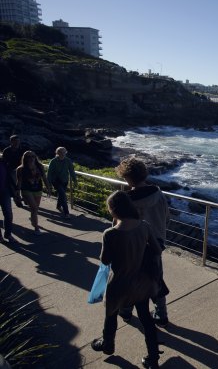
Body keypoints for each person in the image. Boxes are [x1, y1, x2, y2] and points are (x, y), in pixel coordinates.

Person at [91, 191, 162, 369]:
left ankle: (108, 344)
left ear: (114, 210)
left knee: (111, 314)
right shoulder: (144, 226)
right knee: (146, 318)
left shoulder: (110, 234)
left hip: (119, 284)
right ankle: (152, 358)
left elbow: (105, 260)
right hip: (141, 282)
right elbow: (157, 250)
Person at [115, 157, 170, 327]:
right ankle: (161, 314)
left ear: (127, 178)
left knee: (130, 280)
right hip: (156, 244)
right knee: (156, 278)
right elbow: (166, 217)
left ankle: (125, 311)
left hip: (133, 247)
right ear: (144, 174)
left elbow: (118, 226)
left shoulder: (125, 200)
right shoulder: (158, 193)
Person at [16, 151, 51, 235]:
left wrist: (48, 188)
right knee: (34, 208)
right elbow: (19, 181)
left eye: (33, 156)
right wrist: (17, 192)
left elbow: (44, 177)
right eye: (28, 157)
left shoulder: (39, 166)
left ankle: (33, 219)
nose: (31, 158)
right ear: (25, 158)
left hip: (38, 190)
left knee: (35, 209)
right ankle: (36, 227)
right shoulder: (21, 169)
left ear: (35, 157)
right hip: (26, 190)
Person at [47, 147, 77, 219]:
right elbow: (49, 173)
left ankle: (58, 206)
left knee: (61, 194)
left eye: (64, 152)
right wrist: (49, 184)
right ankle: (66, 213)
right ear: (57, 153)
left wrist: (75, 180)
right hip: (56, 181)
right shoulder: (53, 161)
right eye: (61, 152)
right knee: (63, 195)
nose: (63, 154)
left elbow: (71, 171)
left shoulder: (68, 161)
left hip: (65, 181)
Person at [2, 135, 24, 208]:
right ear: (11, 142)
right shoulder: (7, 150)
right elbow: (4, 161)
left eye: (18, 141)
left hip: (21, 170)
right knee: (15, 186)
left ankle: (24, 198)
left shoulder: (22, 149)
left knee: (22, 185)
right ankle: (17, 200)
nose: (17, 142)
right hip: (12, 171)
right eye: (15, 141)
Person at [0, 156, 14, 243]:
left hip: (5, 191)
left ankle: (8, 234)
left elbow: (9, 176)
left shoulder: (3, 162)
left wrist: (15, 189)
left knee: (8, 214)